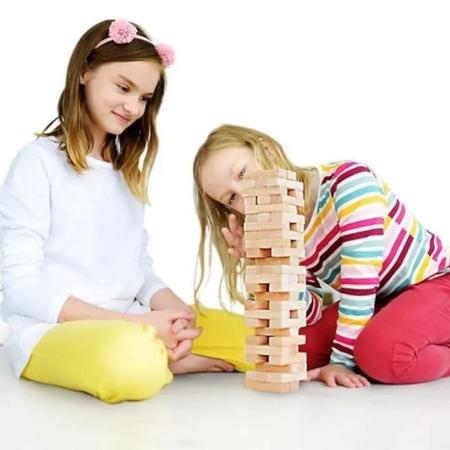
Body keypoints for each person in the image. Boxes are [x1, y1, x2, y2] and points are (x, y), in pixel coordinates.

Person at [0, 19, 236, 404]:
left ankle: (165, 351)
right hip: (52, 331)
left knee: (255, 334)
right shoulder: (37, 163)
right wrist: (139, 324)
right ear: (84, 73)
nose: (133, 107)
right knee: (130, 362)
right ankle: (165, 359)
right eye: (123, 88)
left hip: (132, 318)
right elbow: (20, 289)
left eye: (144, 98)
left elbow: (136, 268)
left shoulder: (126, 172)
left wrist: (175, 312)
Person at [192, 123, 450, 388]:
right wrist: (268, 263)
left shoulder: (349, 181)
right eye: (232, 197)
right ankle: (378, 341)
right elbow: (311, 310)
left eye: (243, 173)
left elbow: (360, 281)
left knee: (382, 354)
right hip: (382, 301)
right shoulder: (286, 227)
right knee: (295, 350)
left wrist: (341, 361)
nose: (245, 193)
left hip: (435, 284)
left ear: (266, 149)